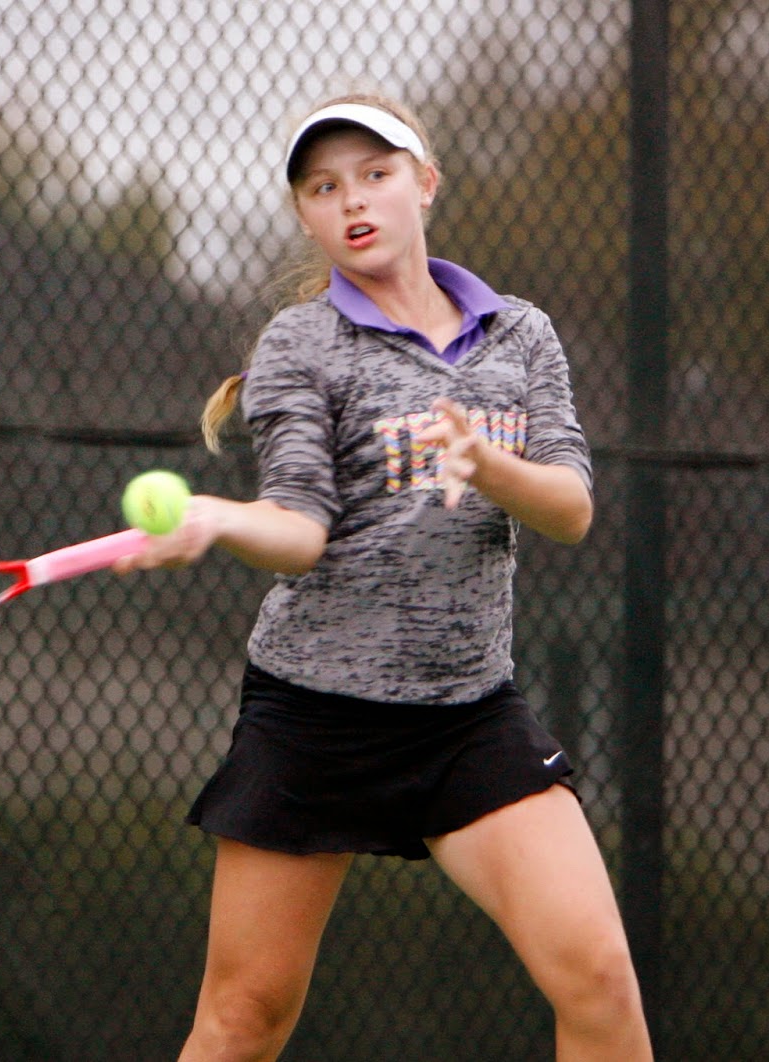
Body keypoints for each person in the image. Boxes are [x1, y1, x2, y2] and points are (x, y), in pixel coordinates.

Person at [118, 92, 654, 1061]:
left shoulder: (521, 336)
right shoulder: (300, 345)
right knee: (243, 1022)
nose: (352, 200)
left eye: (374, 174)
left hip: (469, 716)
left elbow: (571, 508)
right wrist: (216, 519)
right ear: (306, 216)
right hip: (315, 718)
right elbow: (298, 529)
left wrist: (491, 469)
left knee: (600, 981)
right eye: (323, 187)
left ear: (424, 182)